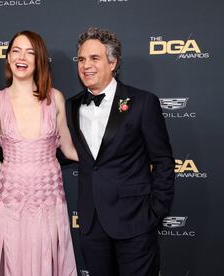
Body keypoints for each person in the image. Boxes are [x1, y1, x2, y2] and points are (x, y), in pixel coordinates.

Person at [66, 26, 175, 276]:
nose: (86, 66)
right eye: (81, 59)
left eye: (95, 58)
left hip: (136, 223)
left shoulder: (143, 102)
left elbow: (163, 162)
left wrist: (156, 211)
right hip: (92, 225)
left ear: (113, 62)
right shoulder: (70, 106)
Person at [0, 30, 78, 276]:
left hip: (48, 200)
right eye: (16, 51)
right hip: (12, 202)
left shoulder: (55, 98)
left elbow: (68, 148)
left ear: (39, 59)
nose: (22, 57)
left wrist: (112, 155)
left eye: (30, 52)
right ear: (9, 57)